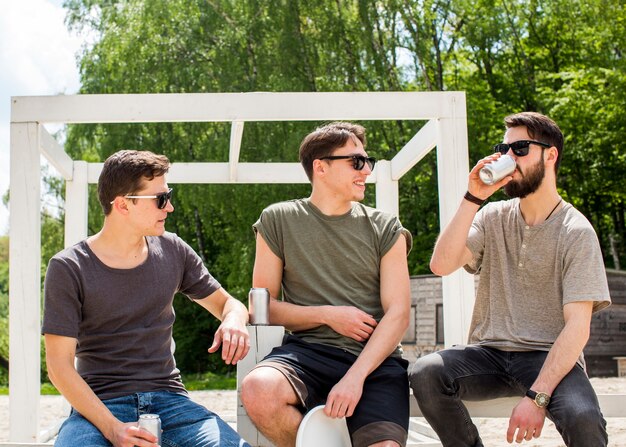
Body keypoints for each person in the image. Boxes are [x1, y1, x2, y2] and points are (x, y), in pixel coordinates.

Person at [409, 112, 611, 446]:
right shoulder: (491, 216)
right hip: (488, 353)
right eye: (502, 149)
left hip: (548, 356)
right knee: (425, 372)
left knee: (584, 418)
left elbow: (578, 327)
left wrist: (537, 397)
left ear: (550, 154)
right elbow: (441, 265)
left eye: (518, 148)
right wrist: (472, 197)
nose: (507, 158)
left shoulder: (576, 231)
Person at [42, 150, 251, 447]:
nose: (171, 207)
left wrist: (233, 319)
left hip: (172, 403)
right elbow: (59, 367)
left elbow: (231, 304)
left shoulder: (173, 250)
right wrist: (113, 428)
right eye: (161, 199)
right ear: (123, 205)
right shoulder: (68, 267)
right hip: (99, 408)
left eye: (169, 195)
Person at [240, 122, 413, 447]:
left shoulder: (386, 227)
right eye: (356, 162)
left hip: (375, 361)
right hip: (307, 354)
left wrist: (354, 378)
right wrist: (329, 315)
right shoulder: (278, 219)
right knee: (258, 390)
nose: (366, 170)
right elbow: (261, 307)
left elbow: (399, 314)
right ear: (321, 166)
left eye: (368, 162)